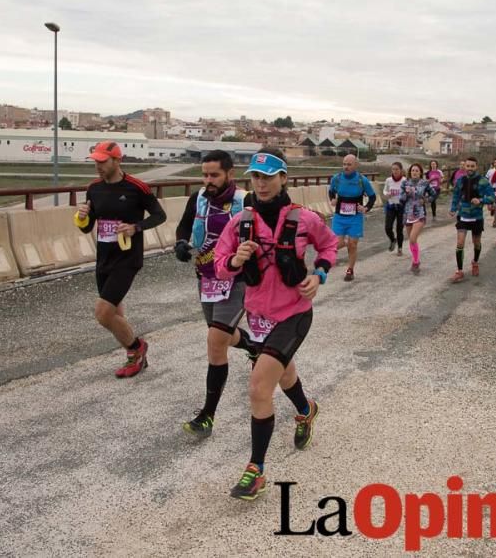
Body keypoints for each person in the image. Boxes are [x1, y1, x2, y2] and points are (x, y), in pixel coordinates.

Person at [214, 149, 338, 500]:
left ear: (283, 178)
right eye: (255, 176)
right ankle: (306, 409)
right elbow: (221, 266)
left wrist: (320, 274)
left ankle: (256, 470)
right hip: (259, 315)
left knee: (257, 387)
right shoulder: (241, 222)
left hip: (295, 312)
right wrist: (235, 259)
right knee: (281, 374)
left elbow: (328, 246)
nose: (261, 183)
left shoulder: (304, 218)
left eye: (268, 177)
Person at [173, 150, 260, 438]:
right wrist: (181, 243)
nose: (208, 181)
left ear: (229, 175)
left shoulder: (245, 201)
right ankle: (250, 344)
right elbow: (184, 226)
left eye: (214, 175)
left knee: (215, 340)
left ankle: (207, 415)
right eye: (205, 175)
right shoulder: (197, 198)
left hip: (237, 280)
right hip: (206, 276)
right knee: (219, 333)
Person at [75, 140, 166, 378]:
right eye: (95, 161)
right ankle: (133, 357)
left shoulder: (137, 187)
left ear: (117, 160)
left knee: (103, 313)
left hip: (128, 258)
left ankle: (137, 347)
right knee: (115, 314)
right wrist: (82, 217)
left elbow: (159, 216)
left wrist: (136, 227)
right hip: (104, 257)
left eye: (102, 161)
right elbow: (87, 228)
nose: (98, 166)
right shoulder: (94, 188)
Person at [327, 154, 376, 281]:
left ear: (355, 165)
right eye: (344, 164)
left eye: (349, 164)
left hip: (355, 217)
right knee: (338, 243)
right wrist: (332, 199)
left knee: (353, 244)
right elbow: (331, 191)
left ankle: (350, 269)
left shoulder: (362, 180)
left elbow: (372, 197)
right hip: (339, 217)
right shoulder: (337, 178)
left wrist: (366, 208)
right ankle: (327, 256)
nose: (346, 167)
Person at [448, 157, 495, 283]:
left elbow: (492, 197)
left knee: (476, 243)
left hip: (476, 217)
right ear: (465, 167)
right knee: (460, 243)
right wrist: (453, 208)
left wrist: (480, 200)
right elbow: (456, 195)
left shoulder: (483, 181)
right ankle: (459, 271)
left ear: (476, 167)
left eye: (472, 166)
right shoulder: (460, 181)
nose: (469, 168)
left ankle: (475, 262)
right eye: (467, 166)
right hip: (463, 216)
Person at [401, 163, 436, 274]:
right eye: (413, 170)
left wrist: (425, 200)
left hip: (420, 213)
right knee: (412, 241)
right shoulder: (405, 183)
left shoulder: (424, 183)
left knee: (412, 238)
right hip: (408, 213)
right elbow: (401, 198)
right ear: (410, 172)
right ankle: (415, 260)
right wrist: (405, 194)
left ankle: (416, 262)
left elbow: (434, 194)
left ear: (420, 172)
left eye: (417, 170)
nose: (414, 172)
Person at [382, 162, 406, 256]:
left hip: (401, 207)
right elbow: (384, 190)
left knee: (399, 229)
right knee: (388, 227)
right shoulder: (388, 180)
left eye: (397, 169)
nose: (395, 171)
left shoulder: (404, 180)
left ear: (401, 170)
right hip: (391, 206)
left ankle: (400, 248)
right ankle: (393, 240)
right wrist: (387, 194)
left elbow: (407, 192)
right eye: (393, 169)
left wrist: (404, 195)